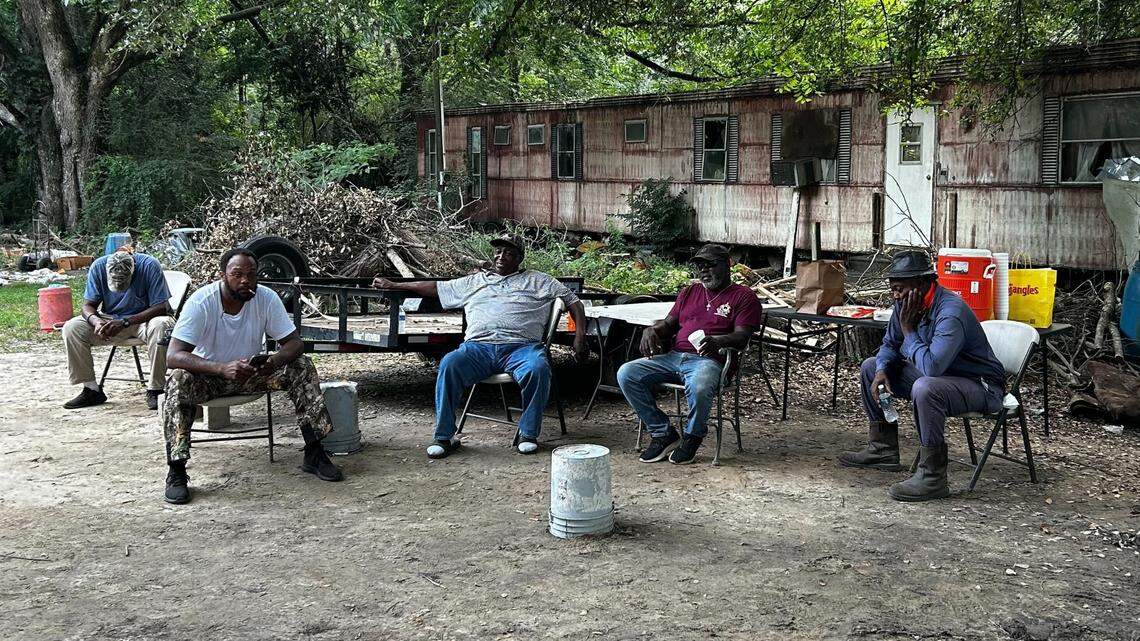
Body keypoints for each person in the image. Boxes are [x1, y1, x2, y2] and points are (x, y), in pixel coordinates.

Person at [372, 233, 588, 458]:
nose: (501, 256)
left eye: (509, 252)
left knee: (538, 368)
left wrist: (579, 336)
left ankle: (528, 433)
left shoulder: (539, 280)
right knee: (450, 363)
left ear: (519, 258)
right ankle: (444, 436)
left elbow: (574, 302)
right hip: (478, 349)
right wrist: (395, 284)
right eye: (498, 251)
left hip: (521, 348)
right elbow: (435, 288)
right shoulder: (476, 281)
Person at [160, 248, 343, 505]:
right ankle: (177, 469)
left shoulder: (265, 298)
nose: (245, 280)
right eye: (237, 274)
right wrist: (221, 368)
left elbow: (294, 343)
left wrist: (272, 362)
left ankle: (314, 451)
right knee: (178, 379)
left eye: (251, 275)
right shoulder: (202, 302)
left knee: (300, 365)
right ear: (223, 275)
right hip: (209, 377)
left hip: (251, 373)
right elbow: (174, 356)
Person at [839, 250, 1006, 502]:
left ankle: (933, 477)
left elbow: (931, 367)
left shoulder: (950, 311)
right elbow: (889, 344)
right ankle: (883, 449)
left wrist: (909, 330)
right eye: (893, 289)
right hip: (944, 378)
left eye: (900, 289)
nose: (896, 295)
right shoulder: (906, 303)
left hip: (980, 386)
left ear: (921, 283)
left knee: (925, 387)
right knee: (871, 367)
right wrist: (883, 368)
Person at [617, 244, 761, 465]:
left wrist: (717, 341)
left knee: (700, 383)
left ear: (728, 264)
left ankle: (693, 437)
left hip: (711, 360)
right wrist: (652, 330)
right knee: (627, 372)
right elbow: (668, 324)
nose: (704, 270)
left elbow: (742, 337)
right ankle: (663, 433)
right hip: (675, 357)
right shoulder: (689, 292)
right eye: (700, 266)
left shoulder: (744, 297)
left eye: (710, 264)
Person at [62, 249, 174, 411]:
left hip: (144, 320)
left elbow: (162, 307)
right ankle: (91, 389)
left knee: (162, 325)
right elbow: (87, 306)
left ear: (133, 269)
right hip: (110, 319)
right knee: (72, 328)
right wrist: (97, 322)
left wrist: (125, 322)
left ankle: (156, 389)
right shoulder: (98, 267)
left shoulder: (150, 265)